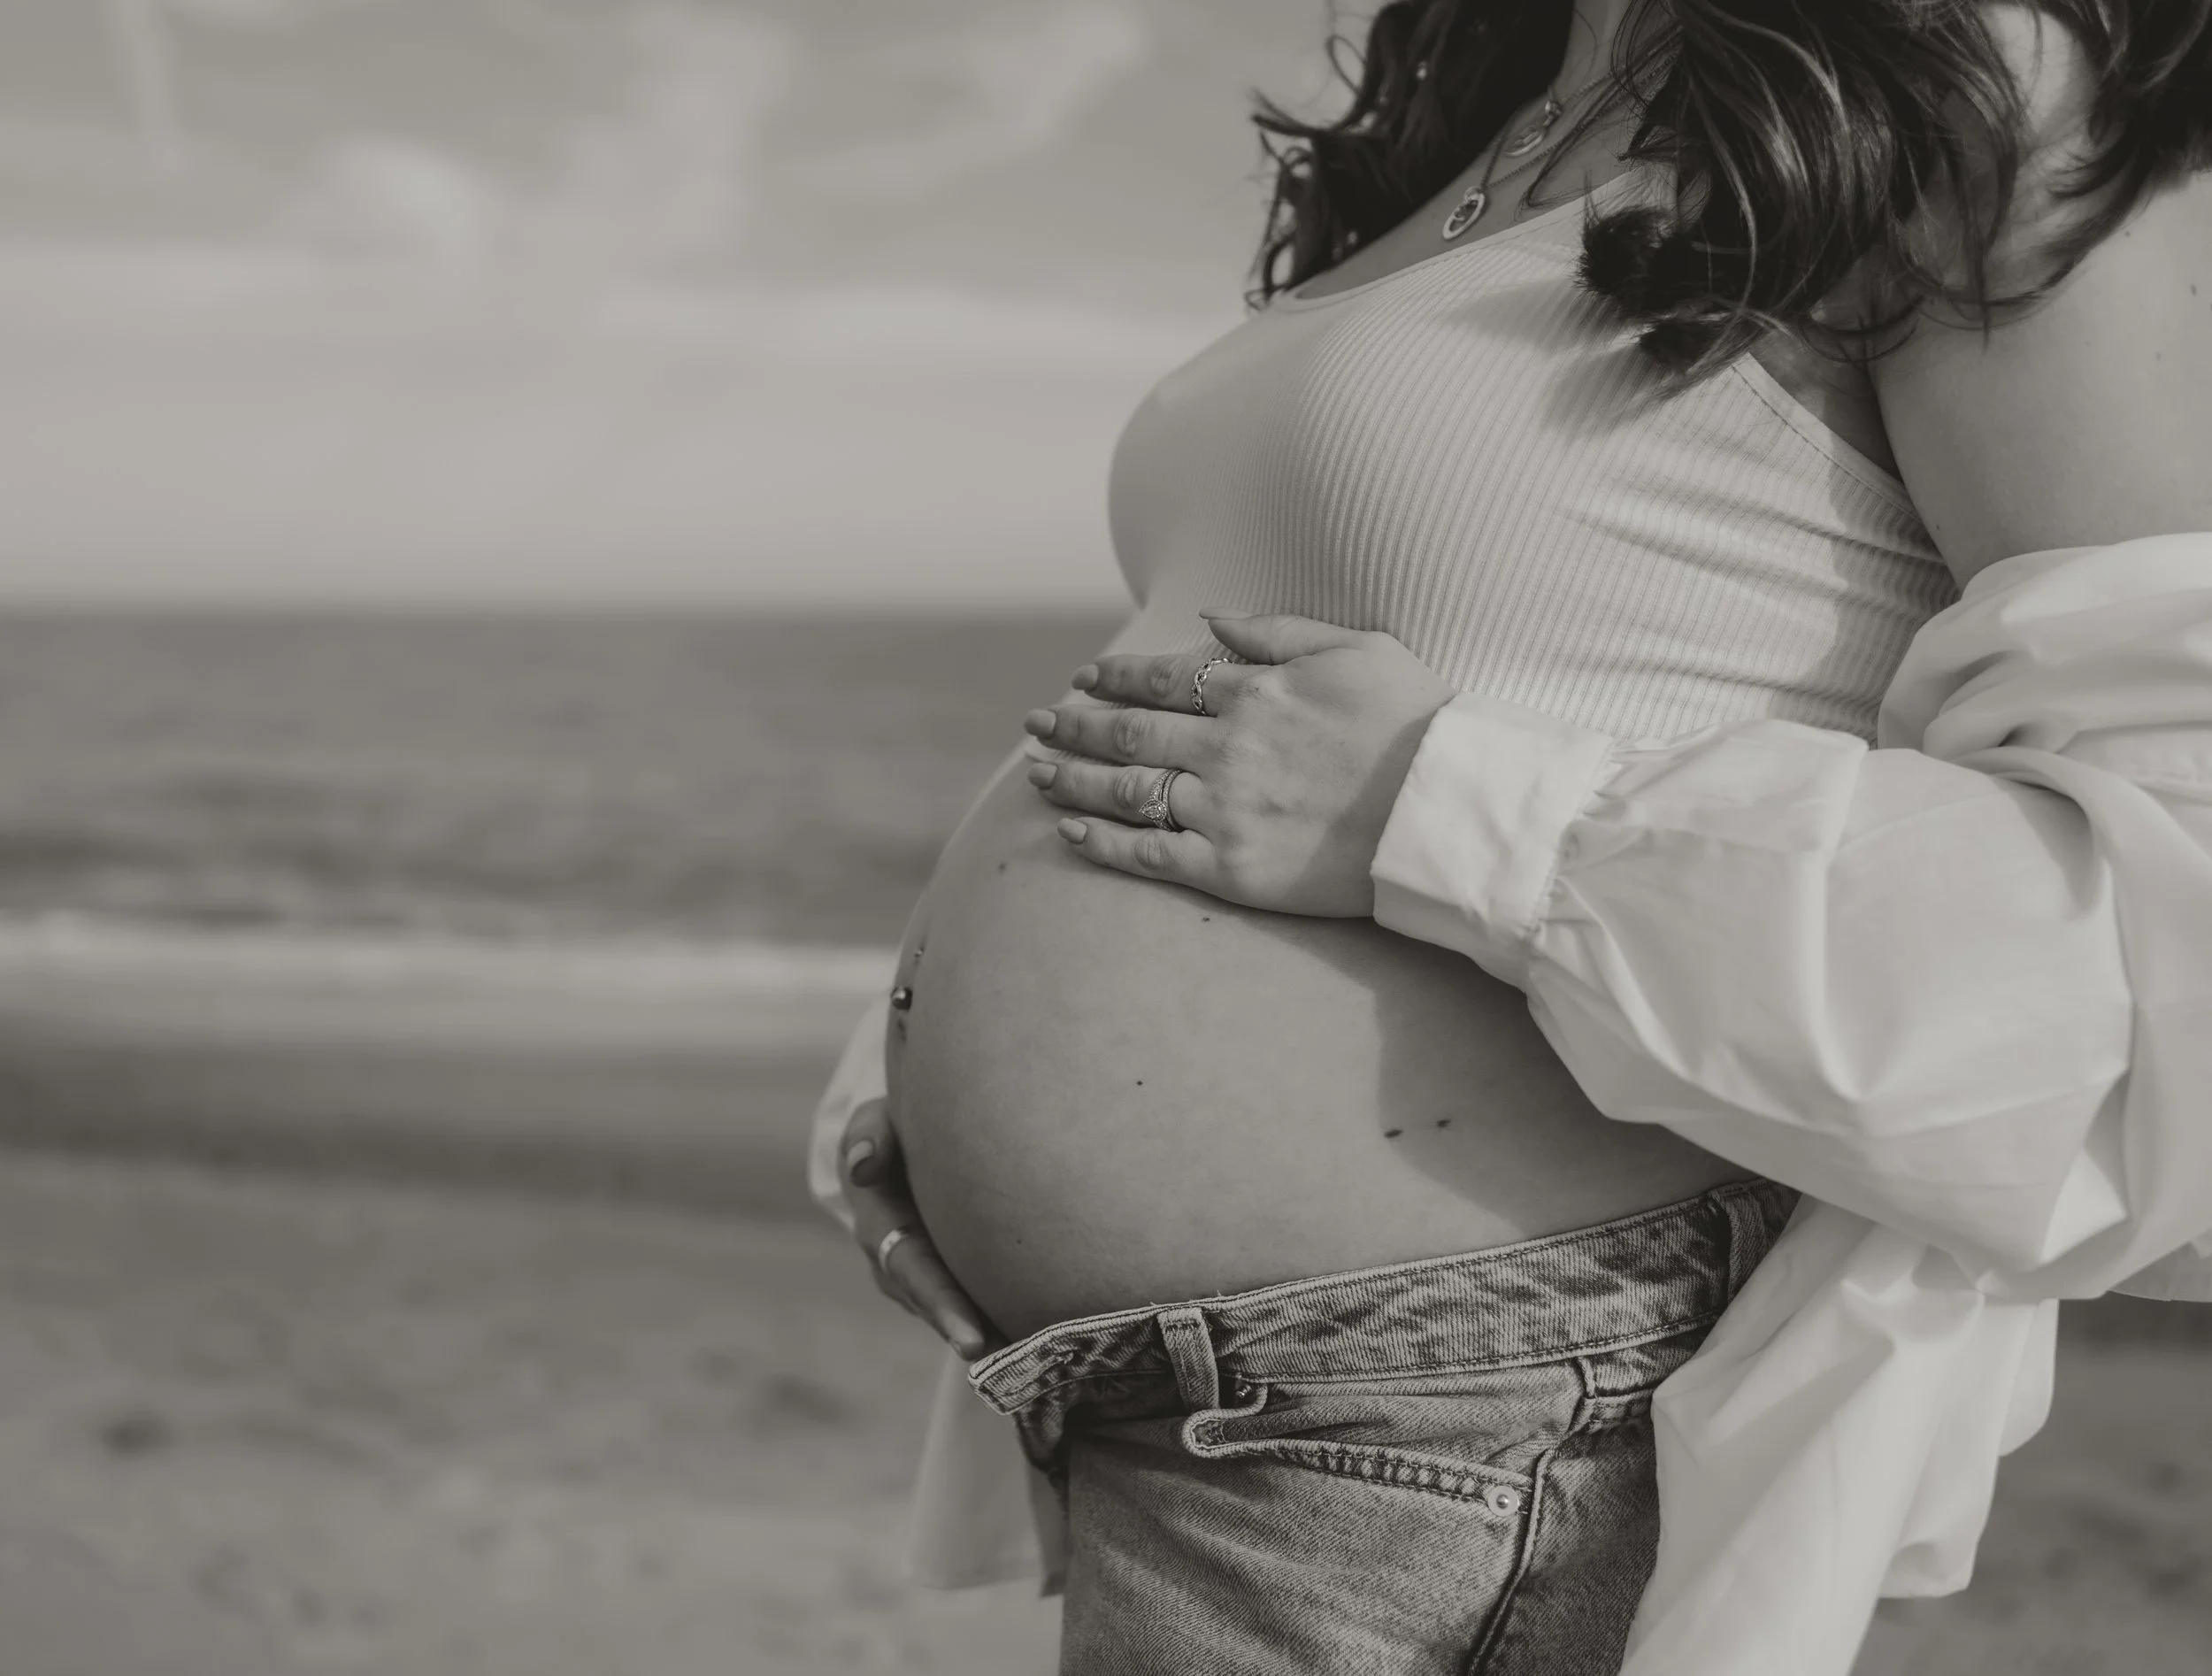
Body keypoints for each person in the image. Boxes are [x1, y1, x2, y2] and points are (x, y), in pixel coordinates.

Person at [817, 0, 2212, 1670]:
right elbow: (1236, 669)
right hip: (1193, 1395)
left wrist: (1441, 807)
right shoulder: (1490, 105)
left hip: (1451, 1413)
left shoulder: (1955, 80)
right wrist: (897, 1094)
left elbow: (2172, 900)